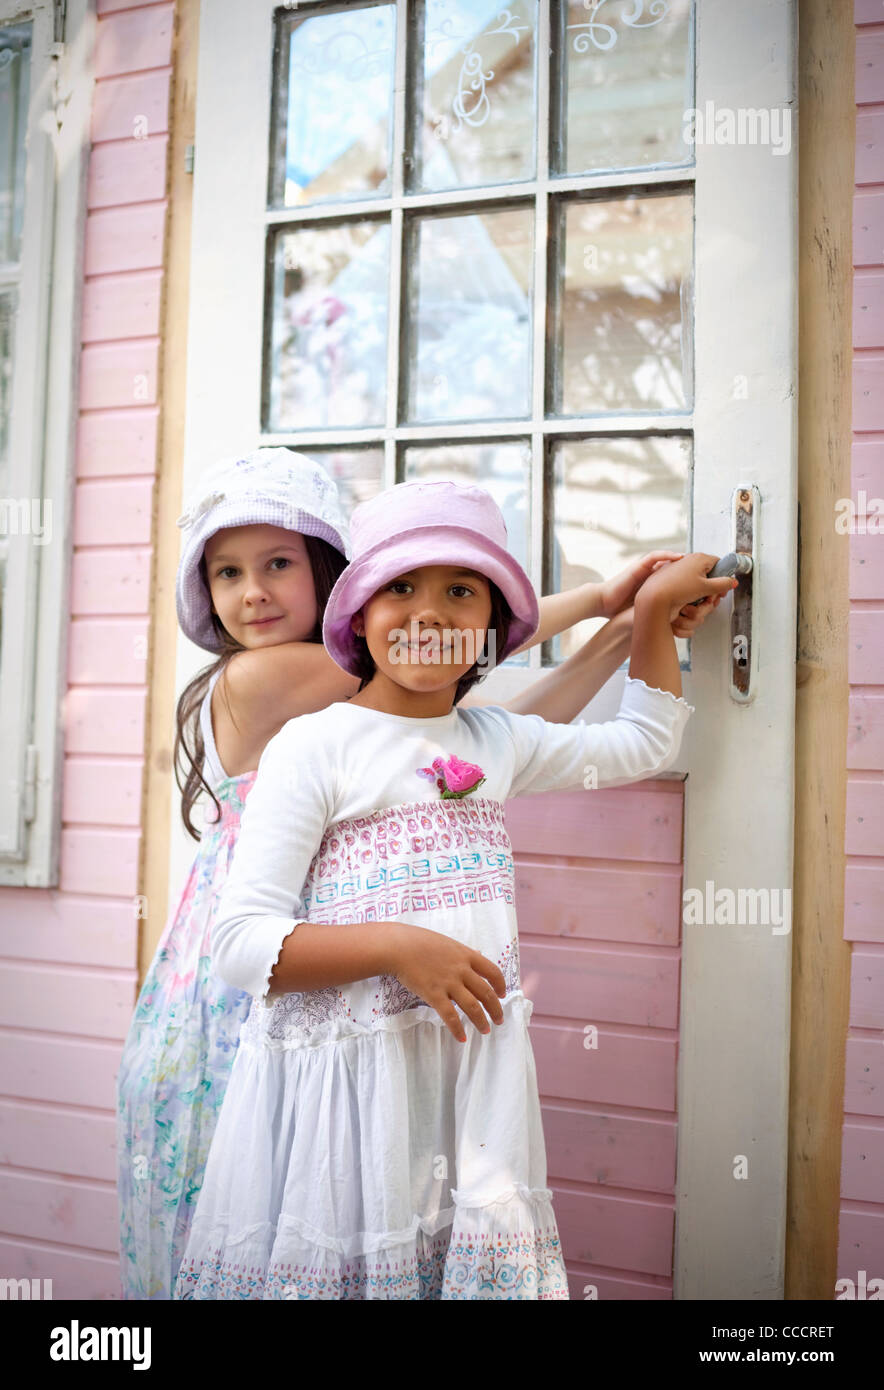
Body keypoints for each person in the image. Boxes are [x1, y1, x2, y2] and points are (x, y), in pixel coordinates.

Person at [116, 451, 722, 1300]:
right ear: (355, 609)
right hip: (268, 1004)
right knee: (279, 1215)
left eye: (277, 564)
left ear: (324, 577)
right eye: (226, 573)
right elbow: (441, 651)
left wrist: (636, 630)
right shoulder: (279, 690)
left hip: (397, 1031)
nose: (252, 592)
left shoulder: (428, 724)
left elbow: (473, 734)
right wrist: (594, 600)